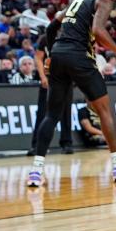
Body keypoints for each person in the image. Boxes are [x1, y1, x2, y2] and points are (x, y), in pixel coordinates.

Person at [27, 0, 116, 186]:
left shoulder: (76, 0)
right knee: (104, 110)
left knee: (52, 115)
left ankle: (36, 172)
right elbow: (98, 30)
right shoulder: (103, 1)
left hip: (59, 55)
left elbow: (51, 28)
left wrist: (50, 55)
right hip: (79, 56)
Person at [28, 19, 74, 155]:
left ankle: (67, 143)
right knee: (42, 113)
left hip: (65, 79)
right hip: (48, 79)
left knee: (66, 112)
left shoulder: (70, 38)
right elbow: (38, 58)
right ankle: (36, 145)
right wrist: (42, 77)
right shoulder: (45, 39)